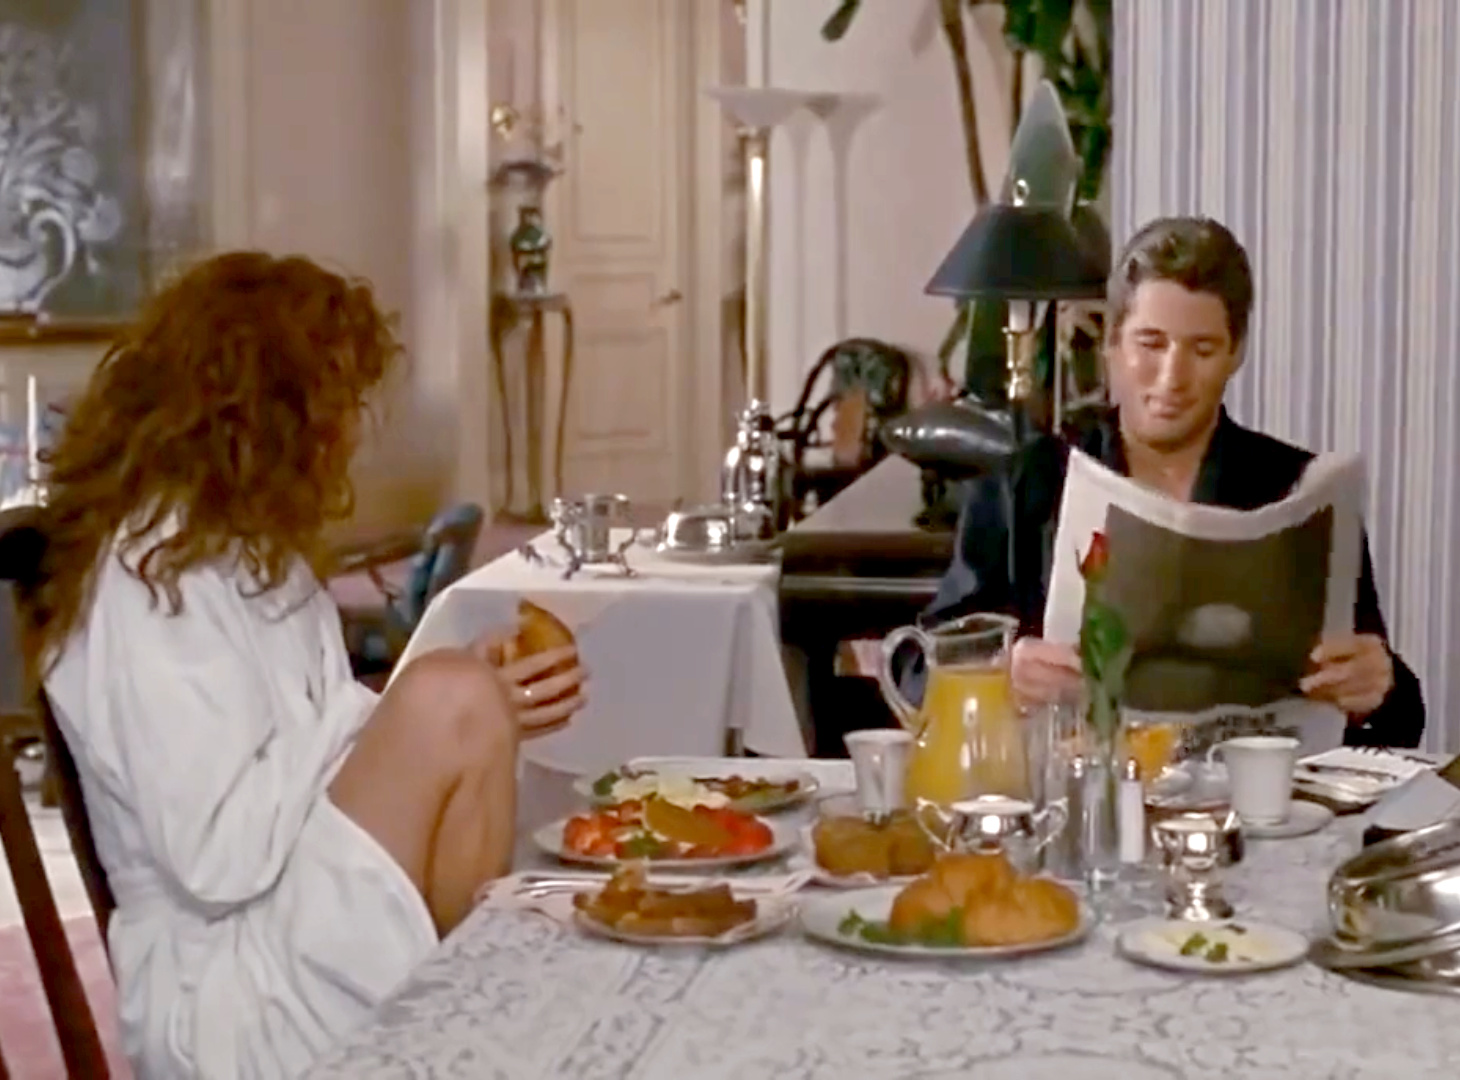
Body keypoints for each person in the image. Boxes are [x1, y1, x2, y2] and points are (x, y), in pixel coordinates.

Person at [23, 252, 589, 1079]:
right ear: (263, 409)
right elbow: (217, 858)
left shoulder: (254, 551)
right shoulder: (146, 575)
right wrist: (407, 717)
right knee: (452, 699)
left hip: (289, 906)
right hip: (228, 982)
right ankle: (459, 1021)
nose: (348, 430)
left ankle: (460, 1016)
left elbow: (313, 747)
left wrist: (436, 712)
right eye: (334, 401)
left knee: (462, 701)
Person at [924, 216, 1424, 748]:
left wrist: (1380, 688)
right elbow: (921, 670)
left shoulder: (1299, 491)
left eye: (1202, 350)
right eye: (1151, 343)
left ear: (1235, 353)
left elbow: (1398, 724)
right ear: (1112, 343)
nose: (1172, 378)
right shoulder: (1025, 483)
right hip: (1076, 790)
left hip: (1252, 795)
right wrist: (997, 675)